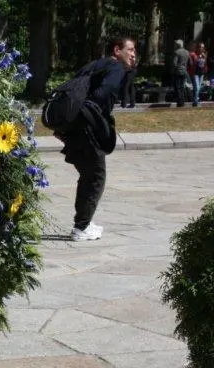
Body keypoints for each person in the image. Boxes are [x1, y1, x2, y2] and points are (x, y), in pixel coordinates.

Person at [59, 36, 136, 241]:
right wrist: (95, 118)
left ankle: (84, 222)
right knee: (96, 176)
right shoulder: (116, 68)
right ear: (117, 50)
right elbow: (102, 95)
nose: (133, 54)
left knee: (88, 174)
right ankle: (81, 228)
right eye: (130, 49)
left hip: (73, 127)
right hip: (86, 128)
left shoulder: (95, 65)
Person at [189, 42, 208, 107]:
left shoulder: (204, 55)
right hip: (195, 73)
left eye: (203, 47)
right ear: (197, 48)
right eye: (200, 47)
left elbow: (205, 65)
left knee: (198, 88)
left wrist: (204, 58)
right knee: (197, 87)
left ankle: (195, 99)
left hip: (201, 73)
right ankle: (196, 101)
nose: (201, 48)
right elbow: (191, 64)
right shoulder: (193, 54)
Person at [172, 39, 190, 107]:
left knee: (178, 87)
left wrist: (174, 70)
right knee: (182, 87)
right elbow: (189, 62)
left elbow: (174, 63)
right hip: (184, 71)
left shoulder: (176, 52)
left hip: (178, 71)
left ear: (178, 45)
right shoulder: (187, 52)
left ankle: (180, 102)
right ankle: (183, 101)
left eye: (176, 44)